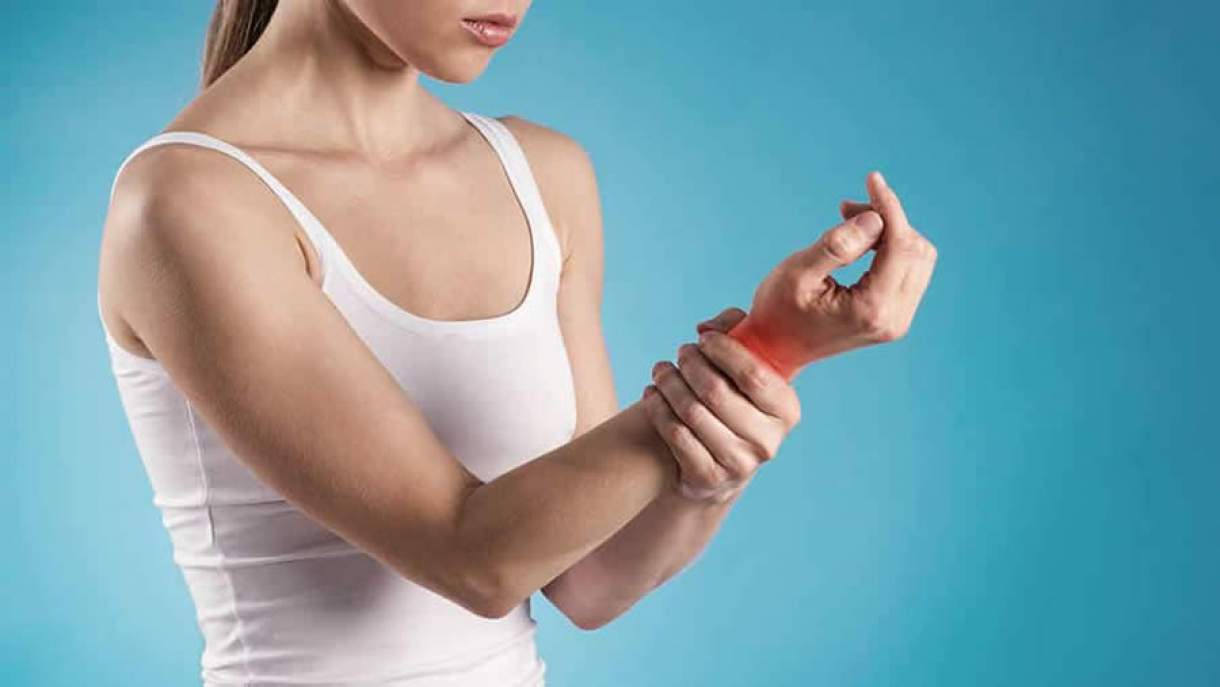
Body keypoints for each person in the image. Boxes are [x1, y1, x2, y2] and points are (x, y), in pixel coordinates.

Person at [95, 1, 936, 685]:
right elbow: (472, 557)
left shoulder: (543, 173)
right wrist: (750, 355)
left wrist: (749, 394)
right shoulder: (188, 201)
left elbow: (590, 577)